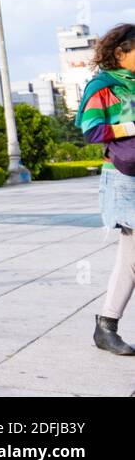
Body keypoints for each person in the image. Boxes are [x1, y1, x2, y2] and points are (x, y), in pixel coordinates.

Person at [77, 23, 135, 355]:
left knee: (131, 257)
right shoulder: (103, 87)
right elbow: (91, 131)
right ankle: (106, 326)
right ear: (120, 53)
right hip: (124, 177)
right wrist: (132, 126)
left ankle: (106, 327)